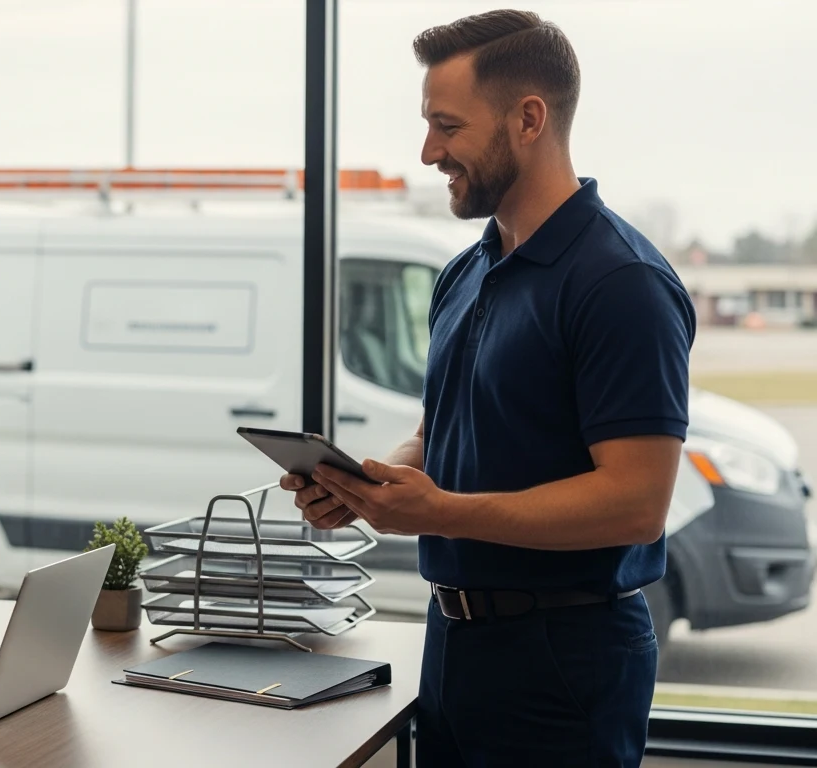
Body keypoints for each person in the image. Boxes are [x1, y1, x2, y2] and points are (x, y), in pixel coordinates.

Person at [282, 10, 694, 767]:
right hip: (453, 644)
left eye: (447, 126)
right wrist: (367, 482)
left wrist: (438, 512)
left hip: (563, 660)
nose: (428, 151)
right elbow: (444, 433)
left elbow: (637, 505)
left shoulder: (620, 284)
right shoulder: (464, 273)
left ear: (528, 118)